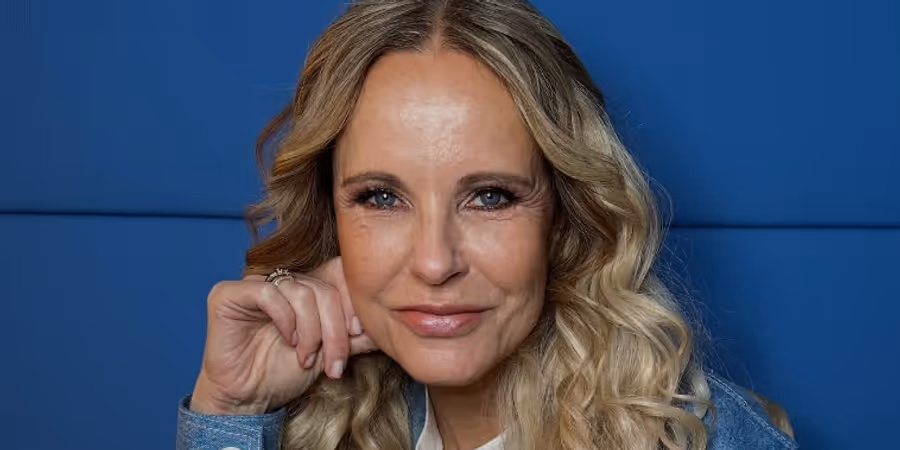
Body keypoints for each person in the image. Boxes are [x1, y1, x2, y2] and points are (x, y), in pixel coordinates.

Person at [176, 0, 799, 449]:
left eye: (491, 197)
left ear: (564, 215)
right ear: (331, 218)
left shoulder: (701, 438)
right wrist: (233, 412)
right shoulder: (311, 425)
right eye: (381, 198)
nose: (434, 262)